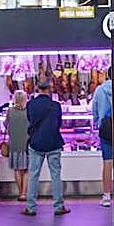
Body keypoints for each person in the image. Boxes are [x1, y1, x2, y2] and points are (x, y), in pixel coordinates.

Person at [24, 79, 70, 216]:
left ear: (37, 89)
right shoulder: (55, 106)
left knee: (33, 175)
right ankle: (59, 206)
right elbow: (59, 123)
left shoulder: (30, 104)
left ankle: (31, 207)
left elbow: (30, 120)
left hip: (36, 143)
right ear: (50, 89)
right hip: (53, 142)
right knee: (55, 175)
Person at [92, 67, 114, 207]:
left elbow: (94, 109)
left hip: (105, 128)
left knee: (107, 162)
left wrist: (97, 122)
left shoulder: (100, 90)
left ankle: (106, 196)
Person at [6, 91, 30, 201]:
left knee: (16, 169)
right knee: (25, 170)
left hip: (14, 144)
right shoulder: (28, 111)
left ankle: (20, 192)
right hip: (26, 144)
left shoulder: (10, 111)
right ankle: (24, 194)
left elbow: (6, 124)